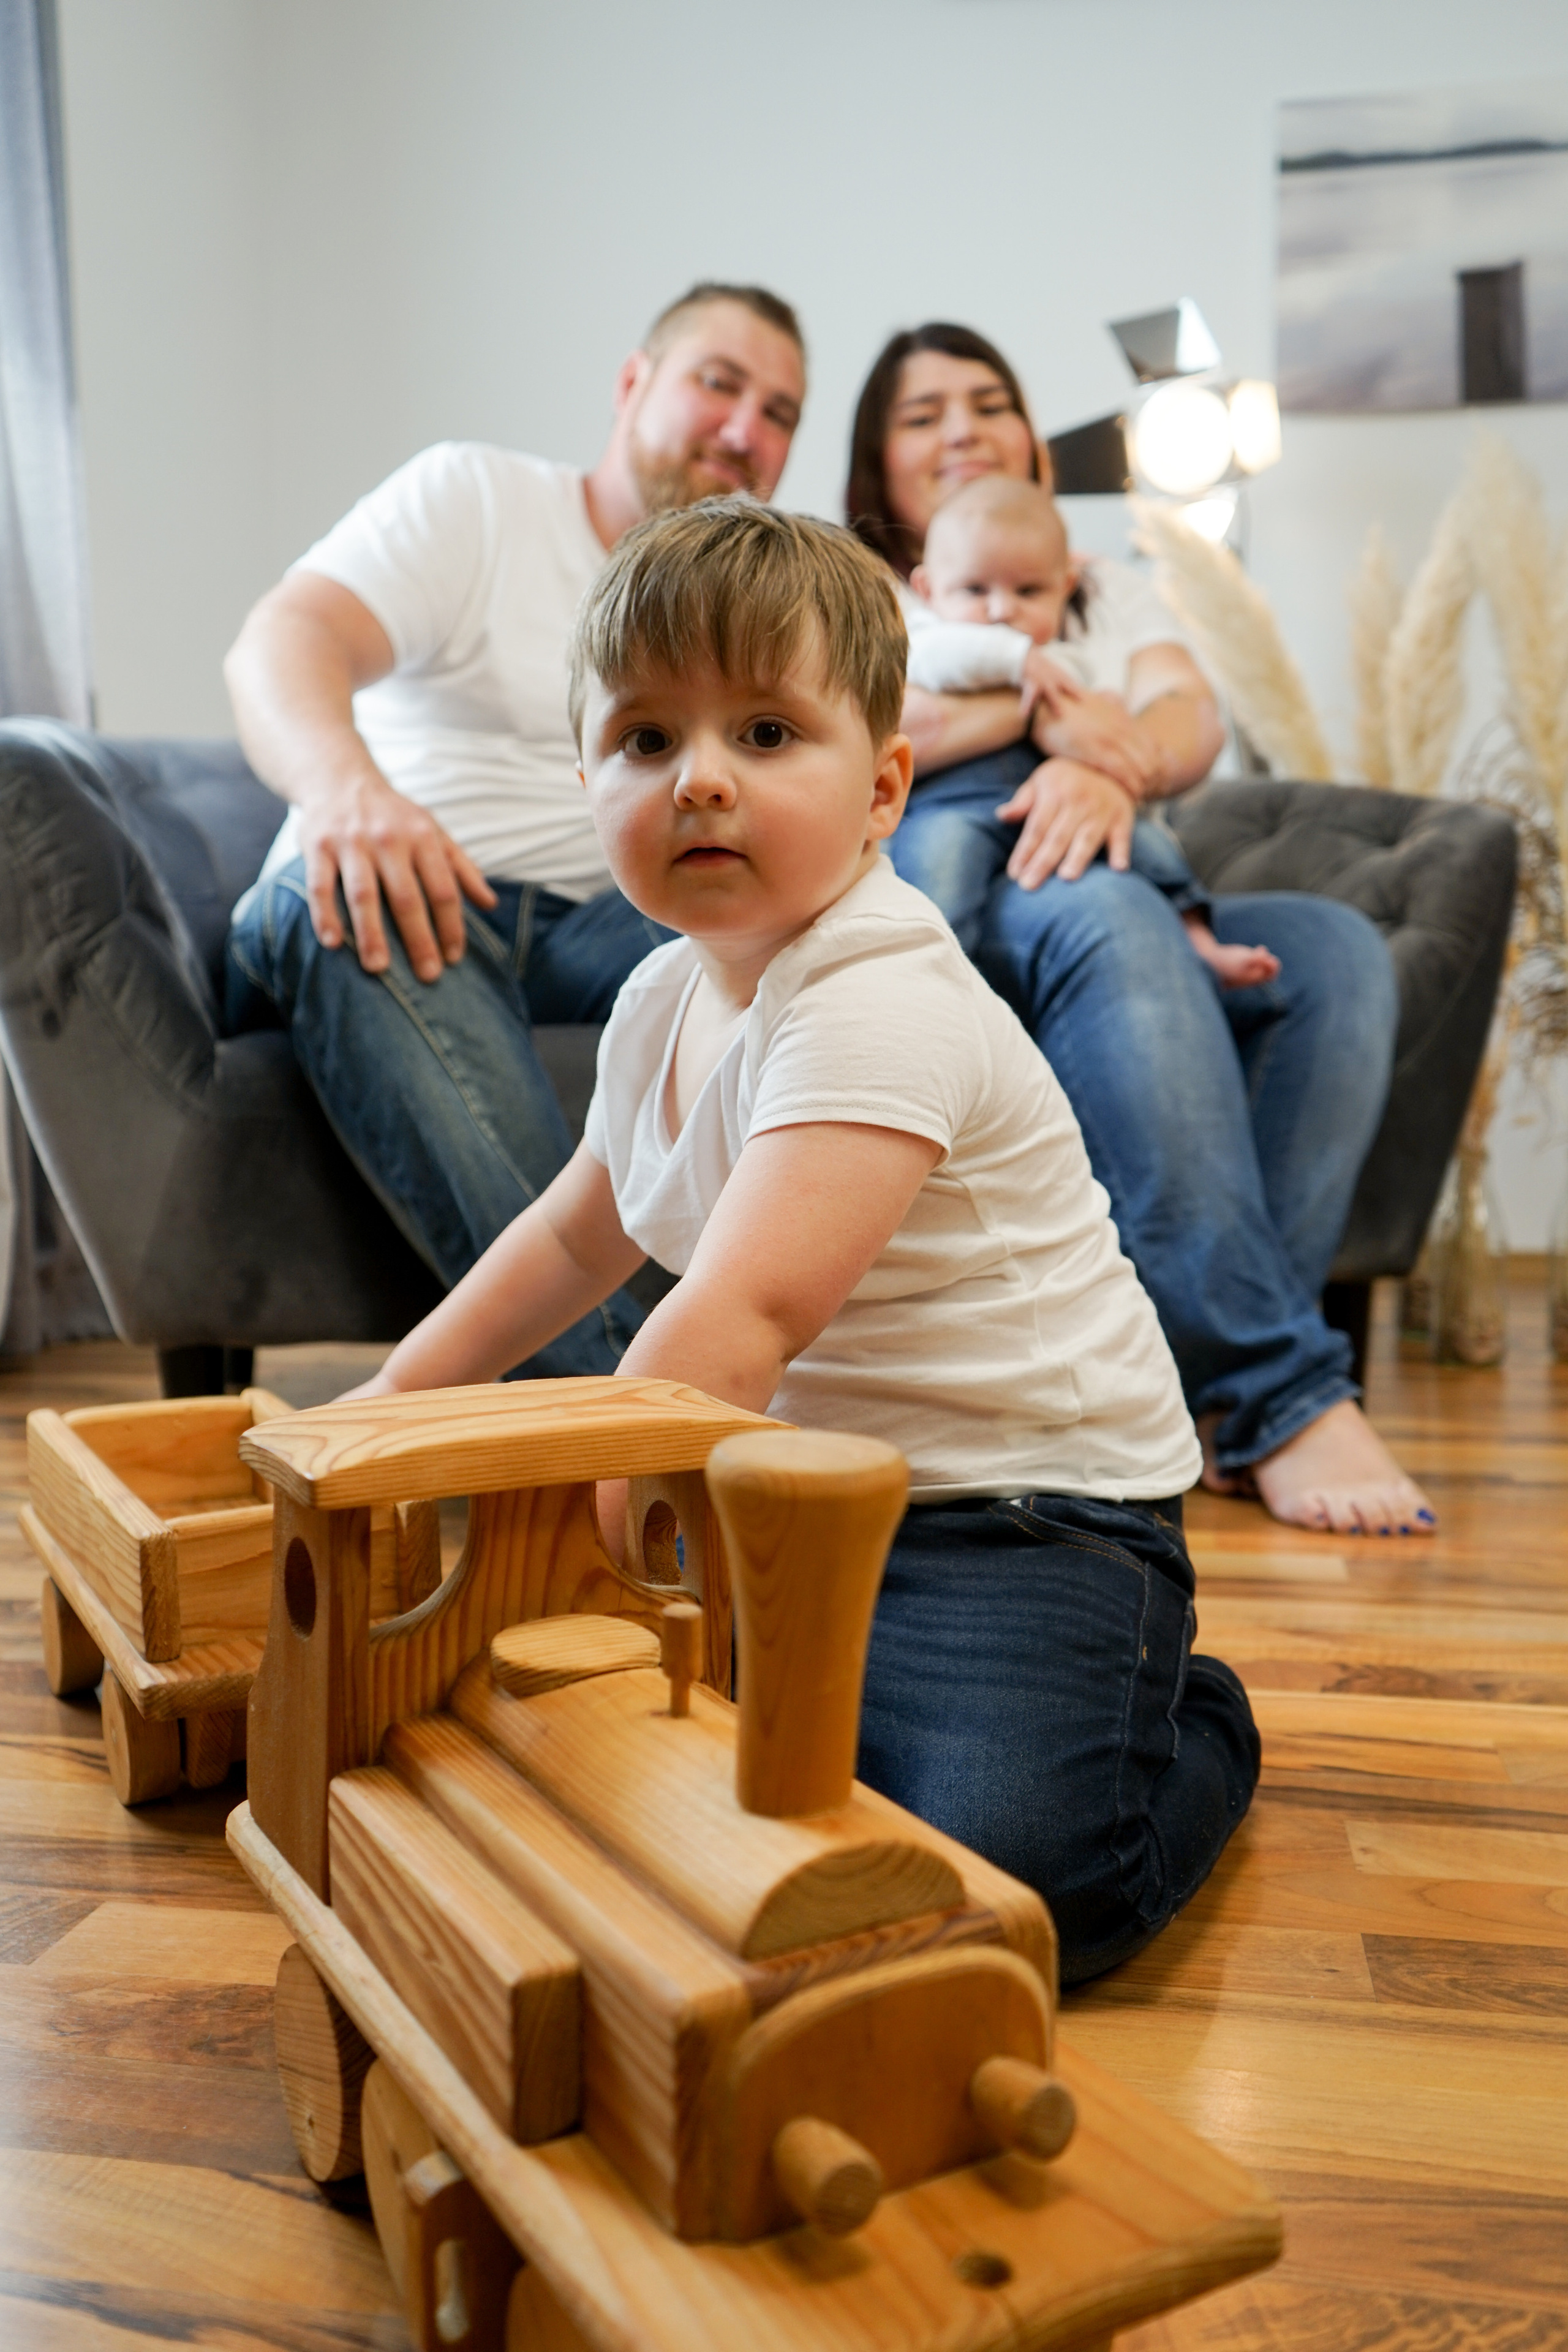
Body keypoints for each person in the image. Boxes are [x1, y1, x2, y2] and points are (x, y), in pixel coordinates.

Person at [348, 497, 1260, 1984]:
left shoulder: (874, 989)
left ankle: (1194, 1710)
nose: (699, 778)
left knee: (1022, 1886)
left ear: (884, 784)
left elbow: (747, 1309)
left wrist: (611, 1492)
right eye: (646, 741)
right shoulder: (659, 997)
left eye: (764, 735)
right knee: (770, 1811)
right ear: (587, 778)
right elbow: (574, 1231)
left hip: (1035, 1512)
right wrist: (390, 1407)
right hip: (833, 1501)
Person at [848, 322, 1433, 1538]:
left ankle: (1174, 1375)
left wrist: (1113, 773)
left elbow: (1186, 716)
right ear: (878, 461)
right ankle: (1274, 1387)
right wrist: (1044, 705)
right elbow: (852, 741)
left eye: (986, 401)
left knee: (1330, 954)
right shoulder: (849, 589)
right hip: (964, 887)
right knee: (1112, 909)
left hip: (1093, 848)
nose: (959, 427)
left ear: (1033, 443)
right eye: (921, 414)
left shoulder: (1094, 581)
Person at [222, 282, 807, 1377]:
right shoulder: (477, 499)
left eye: (780, 413)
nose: (746, 429)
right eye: (720, 384)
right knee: (345, 898)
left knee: (820, 947)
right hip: (398, 878)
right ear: (634, 385)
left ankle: (861, 1383)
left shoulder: (736, 602)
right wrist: (350, 793)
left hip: (605, 915)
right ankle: (633, 1429)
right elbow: (279, 640)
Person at [905, 474, 1278, 988]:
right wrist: (1018, 665)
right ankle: (931, 985)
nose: (1000, 609)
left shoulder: (1075, 650)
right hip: (957, 803)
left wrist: (1103, 726)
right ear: (927, 589)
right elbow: (936, 663)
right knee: (934, 863)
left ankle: (1197, 939)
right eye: (974, 589)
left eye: (1028, 590)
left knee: (1149, 847)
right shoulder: (927, 633)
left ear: (1066, 587)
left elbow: (1120, 716)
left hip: (1071, 800)